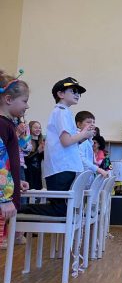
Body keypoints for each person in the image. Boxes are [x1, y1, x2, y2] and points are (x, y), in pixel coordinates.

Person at [21, 77, 94, 216]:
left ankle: (21, 209)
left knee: (64, 208)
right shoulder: (61, 111)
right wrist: (84, 133)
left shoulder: (65, 112)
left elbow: (69, 142)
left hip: (65, 166)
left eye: (78, 92)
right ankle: (20, 209)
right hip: (61, 167)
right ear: (60, 94)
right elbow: (66, 141)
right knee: (61, 209)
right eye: (73, 91)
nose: (77, 94)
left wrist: (84, 135)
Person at [0, 69, 30, 283]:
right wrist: (4, 198)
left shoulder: (7, 125)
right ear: (8, 99)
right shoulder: (1, 125)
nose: (27, 106)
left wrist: (16, 183)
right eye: (24, 101)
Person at [75, 111, 108, 180]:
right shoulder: (78, 137)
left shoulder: (87, 139)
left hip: (86, 175)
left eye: (93, 122)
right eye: (88, 122)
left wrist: (90, 137)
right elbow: (81, 159)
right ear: (79, 124)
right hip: (80, 175)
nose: (92, 125)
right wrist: (98, 169)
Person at [25, 120, 45, 190]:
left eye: (39, 128)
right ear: (30, 128)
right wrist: (37, 151)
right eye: (35, 128)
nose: (38, 129)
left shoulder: (41, 141)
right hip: (27, 172)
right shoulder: (25, 139)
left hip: (37, 173)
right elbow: (23, 159)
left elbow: (44, 159)